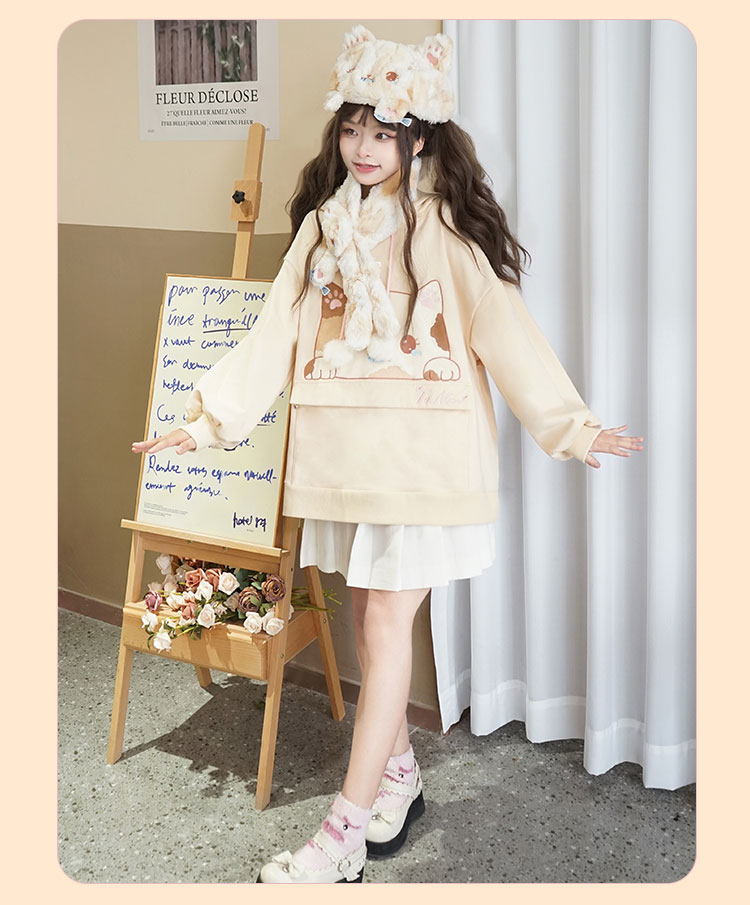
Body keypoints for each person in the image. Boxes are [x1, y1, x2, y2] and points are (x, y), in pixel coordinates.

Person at [131, 26, 644, 883]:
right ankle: (399, 775)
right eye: (352, 129)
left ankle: (341, 835)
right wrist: (206, 420)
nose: (364, 148)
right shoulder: (322, 229)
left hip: (419, 464)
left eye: (382, 132)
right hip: (345, 457)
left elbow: (502, 327)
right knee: (370, 621)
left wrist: (571, 425)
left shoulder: (441, 226)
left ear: (419, 137)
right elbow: (274, 333)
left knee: (381, 627)